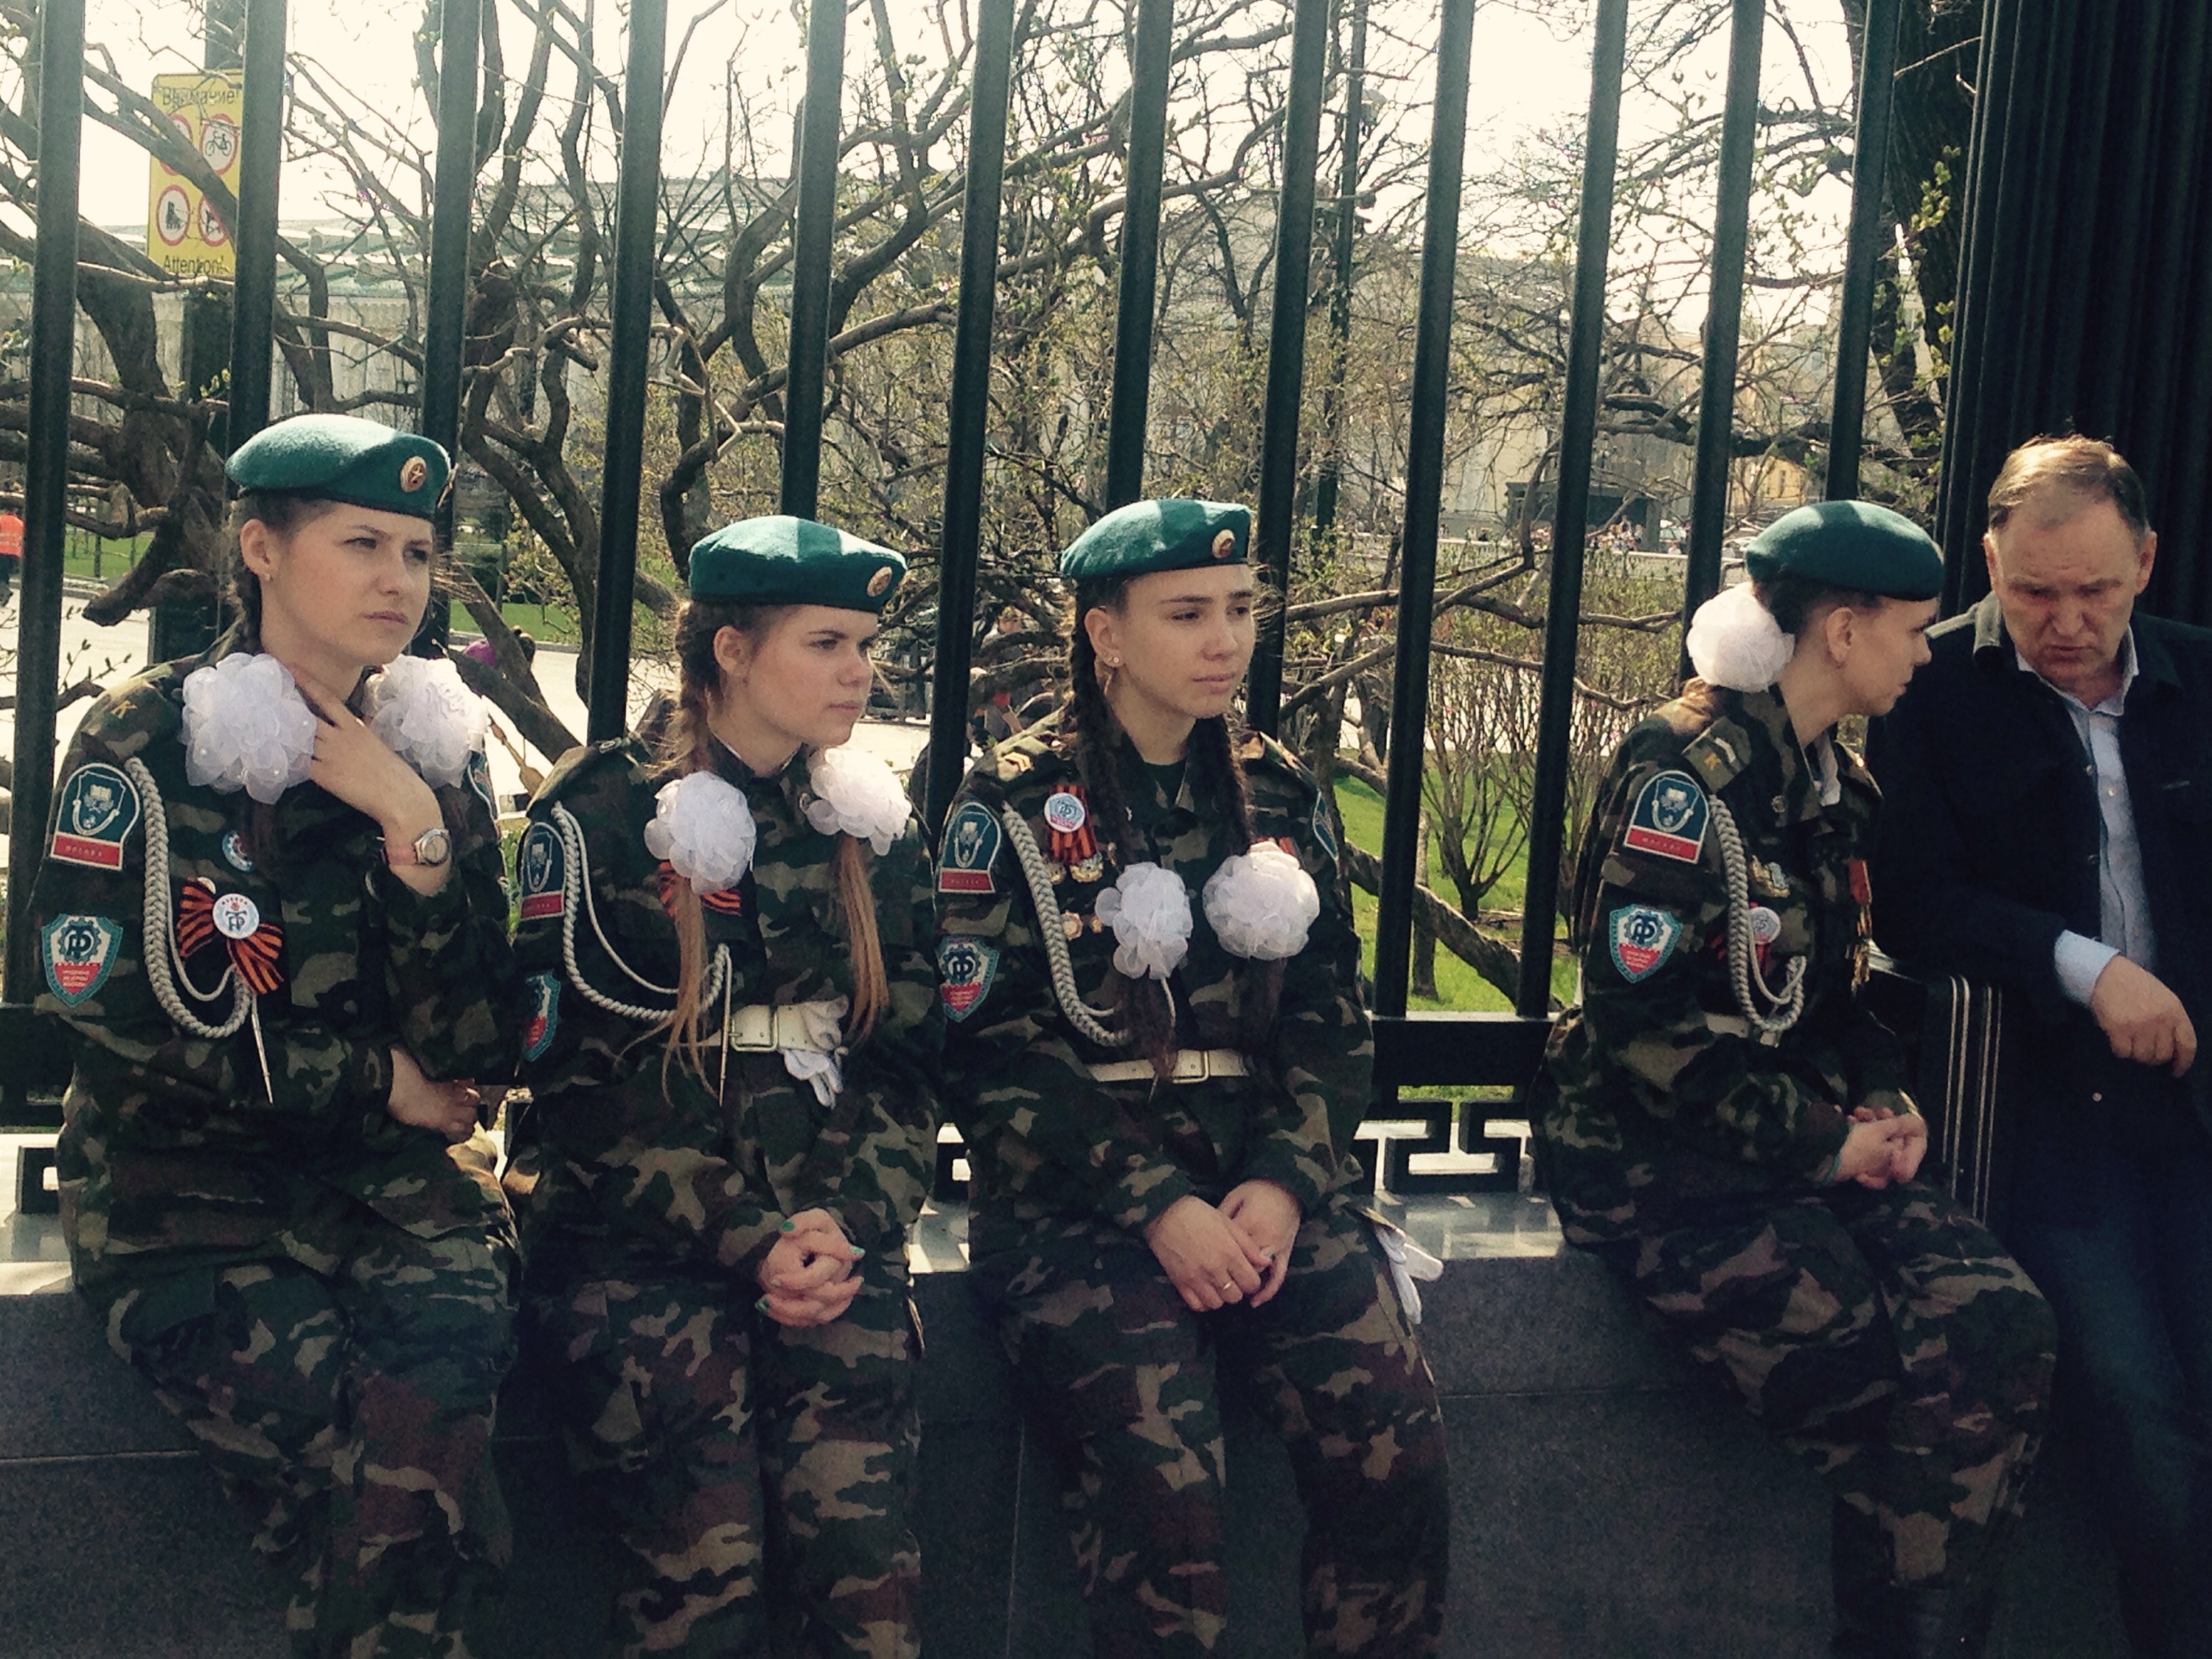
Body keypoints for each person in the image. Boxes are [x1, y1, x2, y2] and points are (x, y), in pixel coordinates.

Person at [29, 413, 519, 1658]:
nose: (399, 579)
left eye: (417, 551)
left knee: (439, 1396)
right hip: (184, 1202)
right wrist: (374, 1079)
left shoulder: (434, 751)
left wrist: (415, 834)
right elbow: (106, 1013)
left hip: (392, 1198)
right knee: (396, 1471)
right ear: (260, 548)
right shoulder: (150, 742)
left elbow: (481, 1037)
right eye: (362, 543)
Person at [1535, 500, 2058, 1659]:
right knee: (1885, 1377)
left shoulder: (1835, 785)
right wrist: (1826, 1143)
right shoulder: (1682, 777)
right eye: (1912, 630)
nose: (1927, 654)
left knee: (2008, 1325)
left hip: (1791, 1142)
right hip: (1653, 1159)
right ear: (1843, 629)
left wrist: (1880, 1091)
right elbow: (1640, 1026)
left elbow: (1829, 997)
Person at [935, 498, 1450, 1659]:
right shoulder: (1012, 803)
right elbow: (990, 1044)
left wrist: (1284, 1181)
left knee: (1396, 1442)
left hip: (1262, 1191)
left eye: (1239, 609)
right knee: (1165, 1501)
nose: (1226, 640)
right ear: (1105, 634)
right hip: (1084, 1206)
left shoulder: (1278, 791)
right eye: (1187, 614)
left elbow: (1330, 1014)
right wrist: (1157, 1203)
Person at [504, 515, 939, 1657]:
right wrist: (750, 1235)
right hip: (641, 1252)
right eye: (827, 643)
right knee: (704, 1586)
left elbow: (906, 1059)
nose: (860, 671)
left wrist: (846, 1217)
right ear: (733, 651)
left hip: (829, 1242)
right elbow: (580, 1082)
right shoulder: (603, 813)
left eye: (865, 645)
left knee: (868, 1584)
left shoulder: (867, 826)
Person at [1868, 437, 2212, 1659]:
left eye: (2096, 591)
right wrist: (2087, 966)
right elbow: (1914, 903)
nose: (2066, 623)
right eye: (2032, 592)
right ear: (1989, 563)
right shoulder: (1932, 691)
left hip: (2194, 1105)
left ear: (2147, 564)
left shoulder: (2198, 678)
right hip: (2052, 1110)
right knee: (2136, 1399)